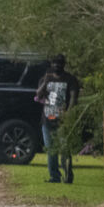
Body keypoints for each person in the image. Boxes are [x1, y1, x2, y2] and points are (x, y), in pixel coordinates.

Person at [35, 56, 80, 185]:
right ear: (51, 64)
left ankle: (67, 176)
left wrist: (69, 113)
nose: (57, 66)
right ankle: (54, 177)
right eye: (54, 63)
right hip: (47, 119)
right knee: (51, 150)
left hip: (63, 121)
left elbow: (73, 97)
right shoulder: (45, 78)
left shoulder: (70, 79)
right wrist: (45, 82)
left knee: (65, 149)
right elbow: (38, 94)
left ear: (64, 64)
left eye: (59, 63)